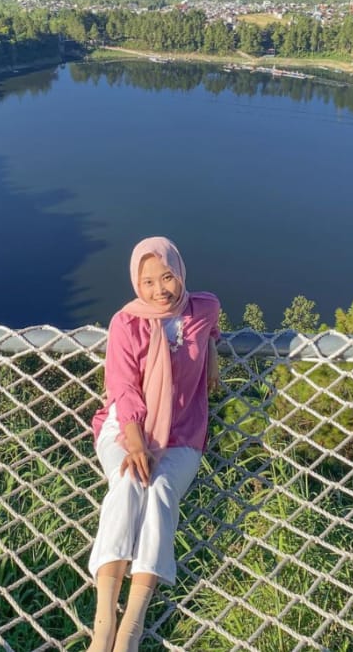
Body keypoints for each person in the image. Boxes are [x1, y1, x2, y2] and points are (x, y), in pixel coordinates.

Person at [85, 236, 221, 652]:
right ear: (135, 283)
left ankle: (133, 622)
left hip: (182, 432)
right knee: (129, 483)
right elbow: (122, 386)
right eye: (147, 282)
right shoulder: (125, 322)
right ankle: (105, 621)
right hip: (124, 428)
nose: (159, 289)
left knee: (159, 490)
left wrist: (212, 348)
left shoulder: (204, 307)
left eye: (167, 277)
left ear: (180, 273)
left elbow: (211, 327)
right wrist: (136, 443)